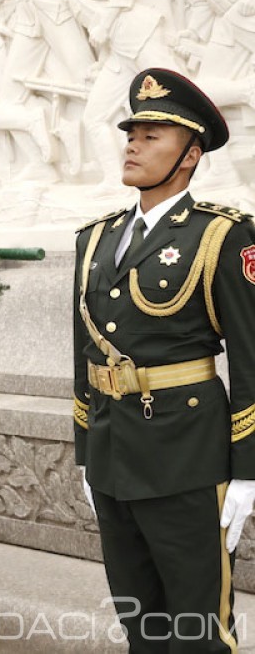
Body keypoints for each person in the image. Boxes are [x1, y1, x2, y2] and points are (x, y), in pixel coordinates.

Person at [73, 68, 255, 651]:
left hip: (187, 459)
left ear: (190, 154)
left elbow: (251, 360)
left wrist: (249, 472)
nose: (133, 143)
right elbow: (84, 350)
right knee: (140, 624)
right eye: (133, 132)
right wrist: (84, 451)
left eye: (153, 135)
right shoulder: (94, 239)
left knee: (198, 630)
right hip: (110, 455)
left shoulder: (222, 237)